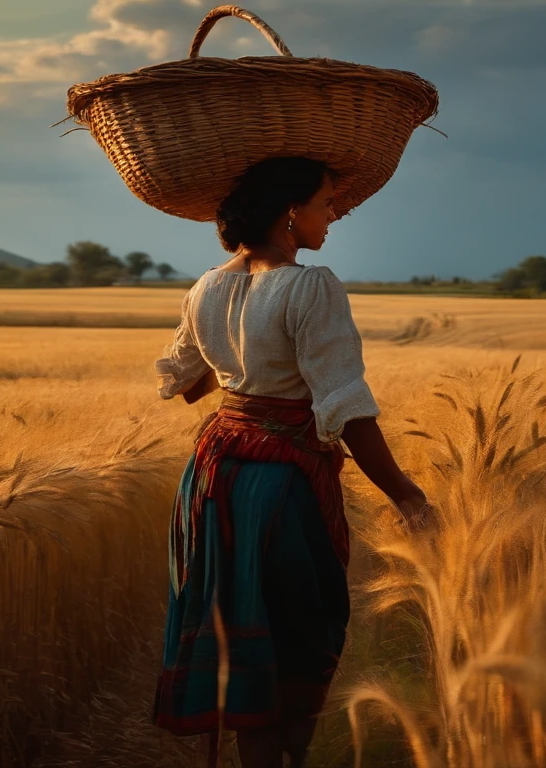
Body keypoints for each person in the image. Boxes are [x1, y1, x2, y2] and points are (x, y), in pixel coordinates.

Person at [150, 156, 431, 768]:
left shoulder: (206, 287)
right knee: (299, 630)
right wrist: (405, 492)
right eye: (325, 203)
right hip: (280, 482)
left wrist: (236, 340)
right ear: (290, 213)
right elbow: (344, 403)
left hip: (215, 471)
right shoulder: (311, 286)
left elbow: (192, 384)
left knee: (236, 624)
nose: (332, 217)